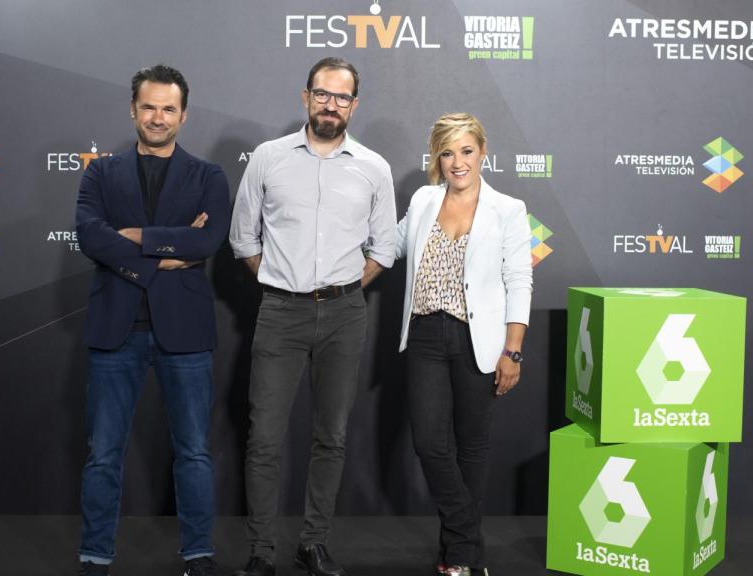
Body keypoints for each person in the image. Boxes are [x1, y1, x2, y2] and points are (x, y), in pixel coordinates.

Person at [228, 57, 397, 576]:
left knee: (333, 436)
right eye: (322, 94)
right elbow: (243, 238)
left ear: (354, 105)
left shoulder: (374, 167)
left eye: (341, 97)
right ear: (305, 97)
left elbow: (384, 247)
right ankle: (261, 550)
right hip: (280, 311)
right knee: (265, 437)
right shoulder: (268, 158)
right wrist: (282, 284)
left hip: (346, 313)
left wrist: (342, 288)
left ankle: (314, 542)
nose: (331, 104)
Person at [74, 64, 229, 576]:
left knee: (194, 453)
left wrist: (136, 238)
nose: (157, 117)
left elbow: (206, 242)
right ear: (133, 110)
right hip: (116, 332)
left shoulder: (208, 176)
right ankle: (95, 556)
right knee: (103, 454)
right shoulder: (100, 172)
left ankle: (198, 554)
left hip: (184, 333)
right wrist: (168, 247)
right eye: (148, 106)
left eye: (168, 108)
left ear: (183, 115)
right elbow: (91, 237)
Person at [395, 113, 532, 576]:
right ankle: (469, 544)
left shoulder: (507, 209)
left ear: (483, 151)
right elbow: (389, 245)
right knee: (430, 444)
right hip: (426, 335)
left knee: (472, 447)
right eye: (448, 152)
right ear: (437, 156)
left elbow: (519, 280)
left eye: (466, 151)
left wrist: (512, 350)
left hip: (480, 338)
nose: (457, 162)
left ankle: (456, 558)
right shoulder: (422, 200)